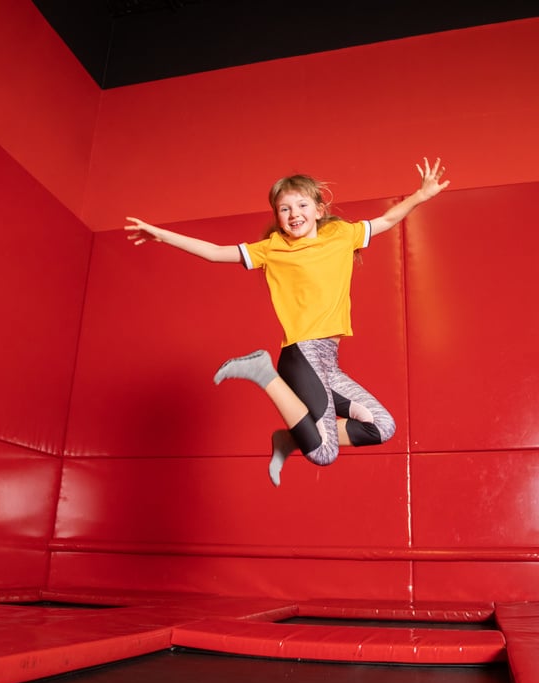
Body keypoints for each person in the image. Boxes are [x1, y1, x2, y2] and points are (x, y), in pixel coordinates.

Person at [125, 158, 449, 485]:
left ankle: (288, 439)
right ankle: (262, 372)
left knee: (381, 426)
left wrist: (420, 195)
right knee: (324, 451)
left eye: (302, 204)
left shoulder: (341, 234)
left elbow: (387, 219)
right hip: (303, 353)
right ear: (278, 218)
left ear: (320, 210)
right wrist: (162, 236)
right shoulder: (273, 249)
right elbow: (214, 252)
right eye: (284, 209)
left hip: (327, 361)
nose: (294, 213)